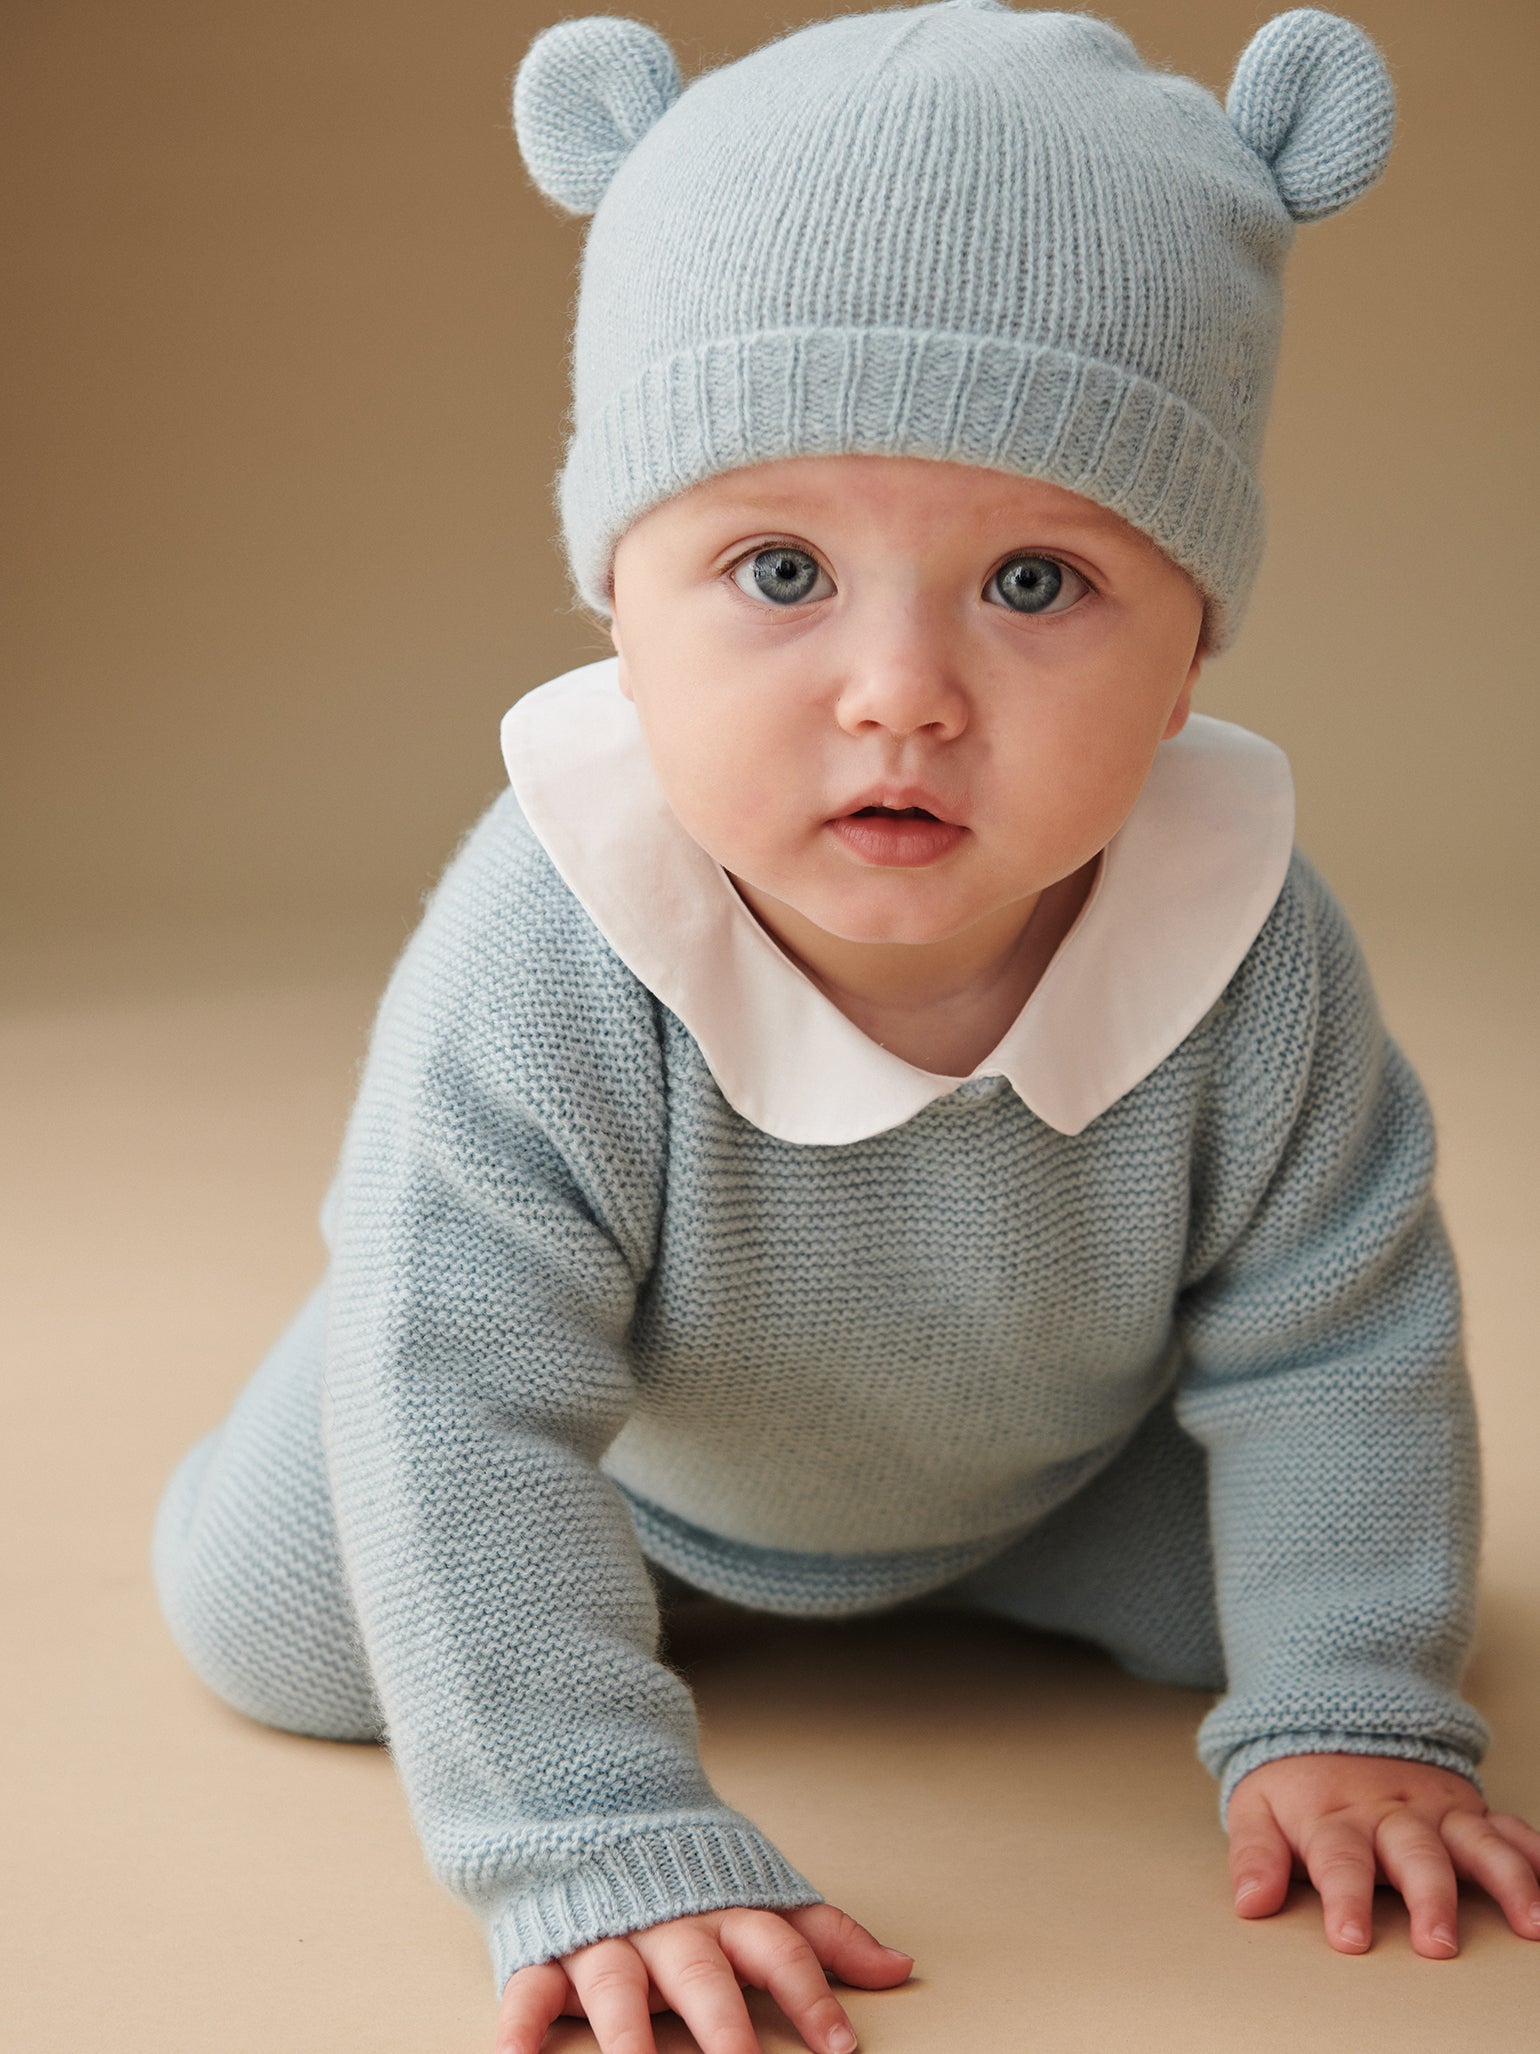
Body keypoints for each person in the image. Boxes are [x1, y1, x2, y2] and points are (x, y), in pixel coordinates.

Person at [150, 7, 1540, 2053]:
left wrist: (1349, 1695)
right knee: (283, 1618)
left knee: (1340, 1593)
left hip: (1047, 1470)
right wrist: (593, 1826)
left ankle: (1070, 1599)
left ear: (1189, 654)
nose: (898, 691)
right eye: (778, 568)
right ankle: (459, 1432)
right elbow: (468, 1399)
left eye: (1037, 582)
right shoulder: (554, 938)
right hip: (620, 1453)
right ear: (618, 608)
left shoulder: (1243, 941)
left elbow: (1337, 1333)